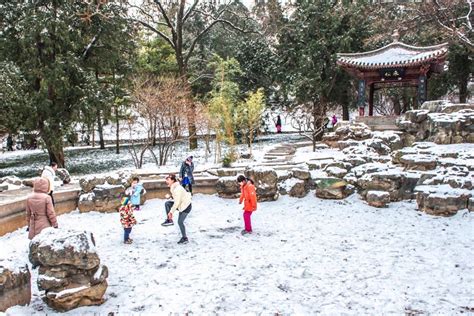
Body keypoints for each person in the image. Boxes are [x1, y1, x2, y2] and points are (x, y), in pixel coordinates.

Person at [161, 174, 192, 244]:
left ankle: (185, 238)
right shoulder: (174, 187)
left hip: (186, 207)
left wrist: (171, 212)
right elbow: (177, 198)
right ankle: (169, 220)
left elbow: (177, 203)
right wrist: (171, 197)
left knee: (180, 222)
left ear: (172, 180)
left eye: (168, 180)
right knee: (167, 204)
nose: (166, 181)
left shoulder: (177, 189)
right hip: (181, 204)